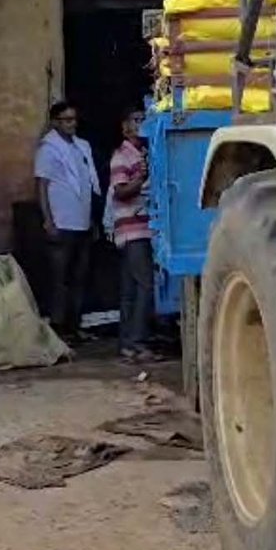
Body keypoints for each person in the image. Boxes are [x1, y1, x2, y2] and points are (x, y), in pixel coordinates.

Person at [34, 101, 99, 342]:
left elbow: (88, 185)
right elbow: (42, 186)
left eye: (74, 119)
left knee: (79, 277)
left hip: (82, 222)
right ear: (55, 122)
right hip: (61, 222)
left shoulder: (82, 147)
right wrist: (48, 220)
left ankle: (75, 325)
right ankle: (59, 329)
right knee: (59, 279)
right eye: (67, 120)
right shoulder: (48, 149)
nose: (72, 124)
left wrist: (91, 219)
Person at [109, 107, 155, 362]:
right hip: (132, 230)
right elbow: (120, 191)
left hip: (138, 228)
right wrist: (142, 179)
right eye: (136, 120)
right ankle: (138, 343)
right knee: (145, 285)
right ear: (125, 127)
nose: (141, 123)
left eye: (143, 119)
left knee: (130, 290)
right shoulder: (122, 156)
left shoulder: (143, 153)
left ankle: (127, 344)